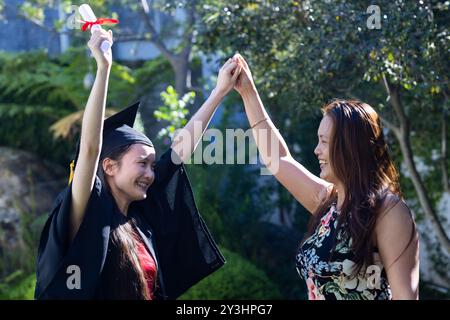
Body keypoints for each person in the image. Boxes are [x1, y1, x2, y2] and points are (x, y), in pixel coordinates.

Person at [34, 29, 242, 300]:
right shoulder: (88, 212)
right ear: (108, 166)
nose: (150, 173)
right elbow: (89, 151)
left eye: (152, 166)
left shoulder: (138, 217)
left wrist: (219, 91)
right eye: (142, 163)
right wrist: (104, 68)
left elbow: (177, 153)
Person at [232, 53, 419, 300]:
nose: (316, 150)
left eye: (323, 141)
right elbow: (276, 160)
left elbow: (406, 297)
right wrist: (247, 91)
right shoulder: (330, 204)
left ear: (349, 147)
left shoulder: (388, 211)